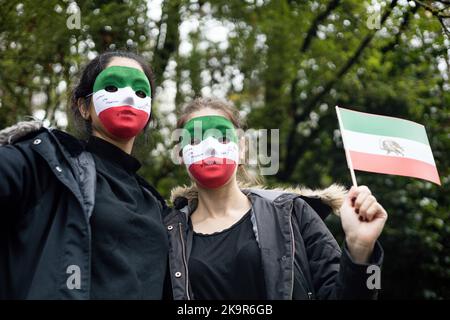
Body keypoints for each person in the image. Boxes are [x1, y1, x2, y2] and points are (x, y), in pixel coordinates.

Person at [164, 97, 388, 300]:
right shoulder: (168, 234)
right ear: (181, 155)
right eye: (194, 140)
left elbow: (369, 289)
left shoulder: (293, 214)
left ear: (242, 149)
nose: (210, 147)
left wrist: (361, 249)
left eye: (222, 137)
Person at [0, 51, 169, 299]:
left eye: (141, 93)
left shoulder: (156, 205)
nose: (129, 97)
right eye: (112, 87)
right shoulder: (47, 162)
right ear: (84, 106)